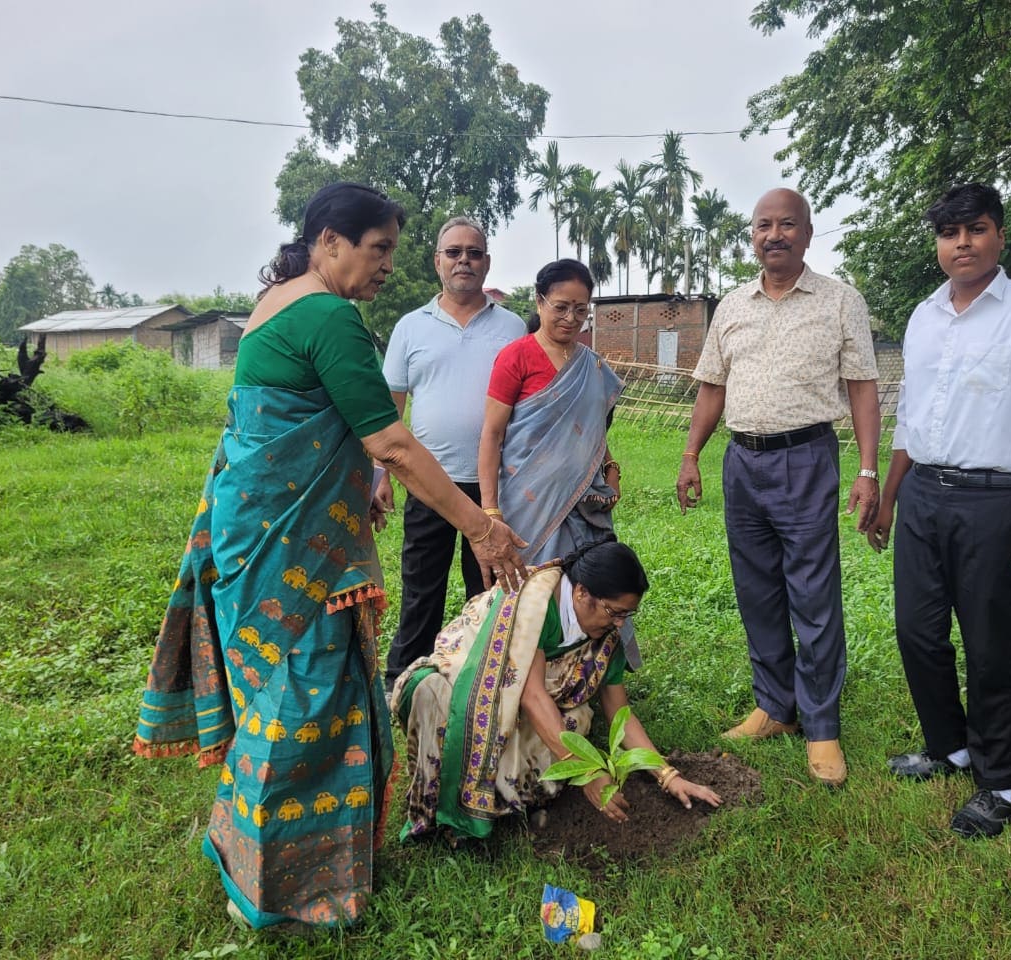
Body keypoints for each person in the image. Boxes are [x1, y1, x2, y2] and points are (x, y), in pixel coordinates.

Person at [132, 182, 525, 932]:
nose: (385, 267)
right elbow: (392, 440)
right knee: (302, 700)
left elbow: (309, 422)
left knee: (291, 693)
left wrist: (357, 482)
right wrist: (479, 526)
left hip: (258, 530)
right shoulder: (330, 315)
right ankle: (286, 889)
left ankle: (279, 860)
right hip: (294, 551)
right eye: (378, 249)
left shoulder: (276, 304)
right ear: (328, 241)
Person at [867, 182, 1011, 839]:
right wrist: (889, 494)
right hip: (925, 497)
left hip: (998, 501)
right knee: (916, 630)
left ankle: (999, 784)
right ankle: (949, 748)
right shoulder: (924, 316)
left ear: (999, 236)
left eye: (976, 229)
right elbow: (912, 414)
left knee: (990, 647)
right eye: (949, 232)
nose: (962, 243)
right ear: (938, 243)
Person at [675, 188, 881, 788]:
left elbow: (863, 386)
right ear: (752, 236)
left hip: (806, 458)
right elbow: (712, 386)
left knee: (813, 595)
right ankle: (774, 707)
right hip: (743, 462)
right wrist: (691, 454)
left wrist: (867, 471)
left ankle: (821, 727)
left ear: (808, 233)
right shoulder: (733, 306)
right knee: (757, 590)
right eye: (763, 225)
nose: (774, 235)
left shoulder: (841, 301)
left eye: (787, 224)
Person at [392, 538, 721, 840]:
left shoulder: (605, 638)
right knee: (432, 693)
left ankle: (512, 800)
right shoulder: (535, 606)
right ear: (581, 593)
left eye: (627, 615)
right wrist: (588, 773)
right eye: (615, 612)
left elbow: (621, 714)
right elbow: (533, 696)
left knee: (576, 718)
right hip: (463, 688)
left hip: (523, 703)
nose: (620, 623)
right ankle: (448, 810)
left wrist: (668, 775)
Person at [378, 217, 526, 693]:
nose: (464, 260)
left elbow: (525, 407)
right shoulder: (410, 328)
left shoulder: (512, 327)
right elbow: (391, 409)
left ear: (487, 262)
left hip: (493, 488)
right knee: (422, 588)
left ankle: (480, 681)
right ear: (437, 260)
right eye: (454, 252)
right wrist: (381, 473)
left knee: (487, 589)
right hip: (428, 484)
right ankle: (402, 683)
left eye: (474, 252)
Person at [477, 259, 640, 668]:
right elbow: (492, 436)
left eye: (581, 310)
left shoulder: (593, 366)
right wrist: (490, 509)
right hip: (527, 504)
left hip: (585, 505)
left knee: (592, 589)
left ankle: (587, 675)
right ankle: (521, 678)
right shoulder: (515, 358)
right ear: (540, 301)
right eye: (561, 306)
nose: (571, 318)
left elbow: (595, 432)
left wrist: (611, 471)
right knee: (532, 591)